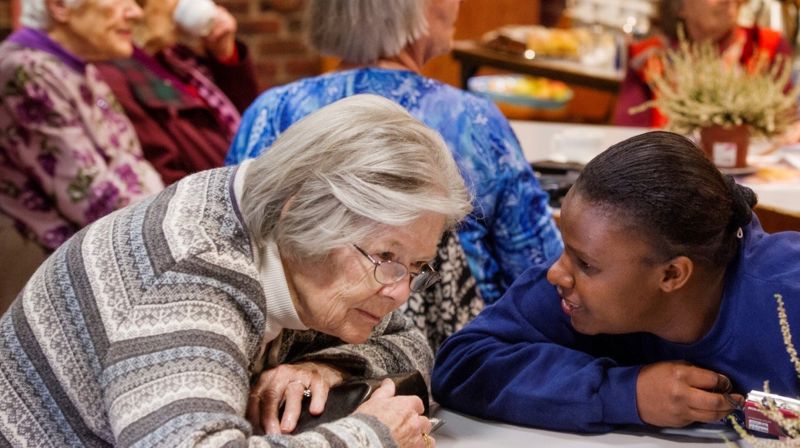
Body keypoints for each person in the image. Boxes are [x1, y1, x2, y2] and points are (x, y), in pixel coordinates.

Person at [0, 94, 471, 447]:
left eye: (416, 267)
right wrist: (370, 436)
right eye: (388, 260)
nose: (401, 291)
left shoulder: (279, 235)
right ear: (300, 212)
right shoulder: (192, 277)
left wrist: (329, 365)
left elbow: (412, 344)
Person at [226, 0, 563, 345]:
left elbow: (237, 249)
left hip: (290, 349)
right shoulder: (472, 122)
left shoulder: (272, 109)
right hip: (446, 351)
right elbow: (544, 273)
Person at [432, 131, 800, 433]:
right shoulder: (574, 294)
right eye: (566, 249)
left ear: (672, 274)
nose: (555, 273)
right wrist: (627, 393)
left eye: (585, 263)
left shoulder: (788, 298)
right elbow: (463, 364)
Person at [0, 0, 164, 252]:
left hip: (104, 246)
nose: (135, 12)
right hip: (44, 268)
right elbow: (92, 201)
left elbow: (132, 162)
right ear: (59, 6)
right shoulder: (28, 70)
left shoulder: (76, 66)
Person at [96, 0, 259, 186]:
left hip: (237, 186)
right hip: (205, 199)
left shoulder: (176, 57)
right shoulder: (120, 72)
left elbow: (251, 118)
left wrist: (224, 53)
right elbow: (161, 166)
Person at [613, 0, 792, 127]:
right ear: (680, 7)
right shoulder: (649, 57)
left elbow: (790, 121)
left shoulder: (765, 45)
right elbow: (627, 133)